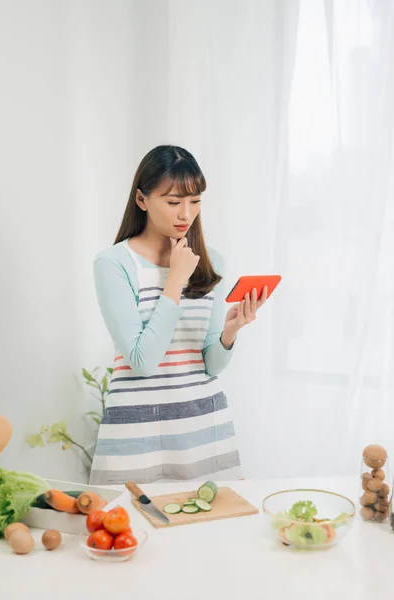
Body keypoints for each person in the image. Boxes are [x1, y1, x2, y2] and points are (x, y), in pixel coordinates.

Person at [89, 145, 267, 485]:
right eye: (173, 202)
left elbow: (210, 365)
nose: (186, 213)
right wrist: (174, 281)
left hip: (203, 431)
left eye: (195, 200)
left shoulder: (211, 260)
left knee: (215, 533)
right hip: (137, 438)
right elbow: (142, 362)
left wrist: (230, 332)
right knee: (134, 531)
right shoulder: (114, 264)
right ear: (142, 199)